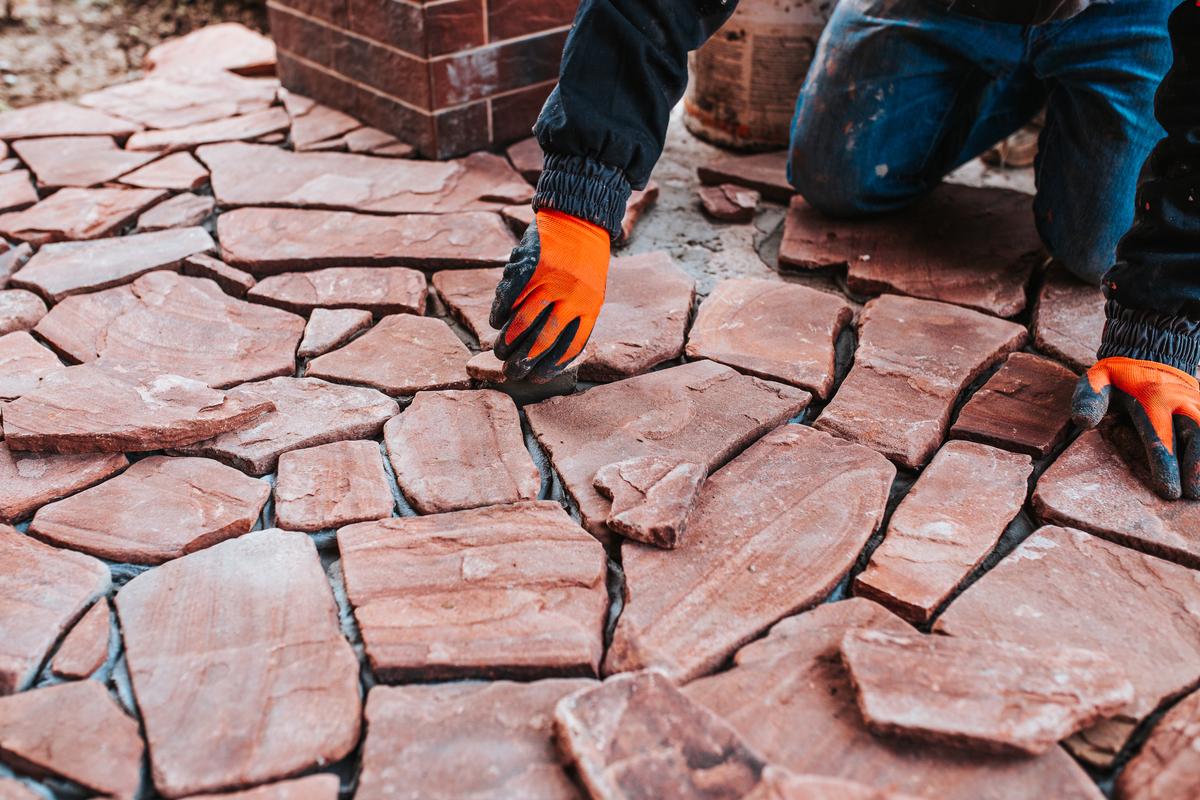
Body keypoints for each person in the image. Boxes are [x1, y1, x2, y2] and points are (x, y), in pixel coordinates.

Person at [488, 0, 1200, 499]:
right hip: (944, 6)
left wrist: (1165, 319)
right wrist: (581, 195)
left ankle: (1078, 91)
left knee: (1098, 243)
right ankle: (1014, 83)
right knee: (840, 175)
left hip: (1129, 13)